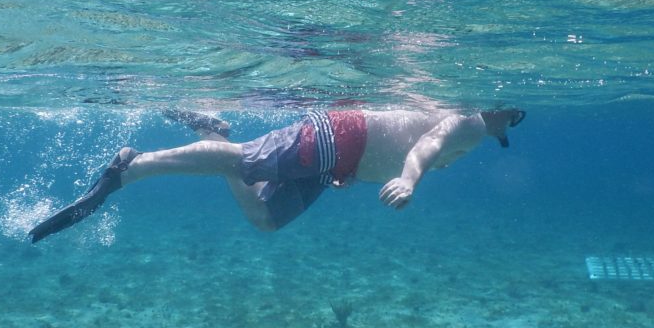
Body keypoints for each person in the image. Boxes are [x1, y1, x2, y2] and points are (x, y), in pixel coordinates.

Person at [28, 107, 526, 243]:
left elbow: (405, 141)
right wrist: (410, 180)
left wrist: (361, 172)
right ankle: (130, 168)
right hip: (339, 135)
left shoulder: (477, 131)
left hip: (340, 159)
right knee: (242, 161)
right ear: (501, 104)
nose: (513, 123)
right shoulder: (469, 120)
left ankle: (211, 132)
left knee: (265, 217)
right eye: (517, 113)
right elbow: (424, 145)